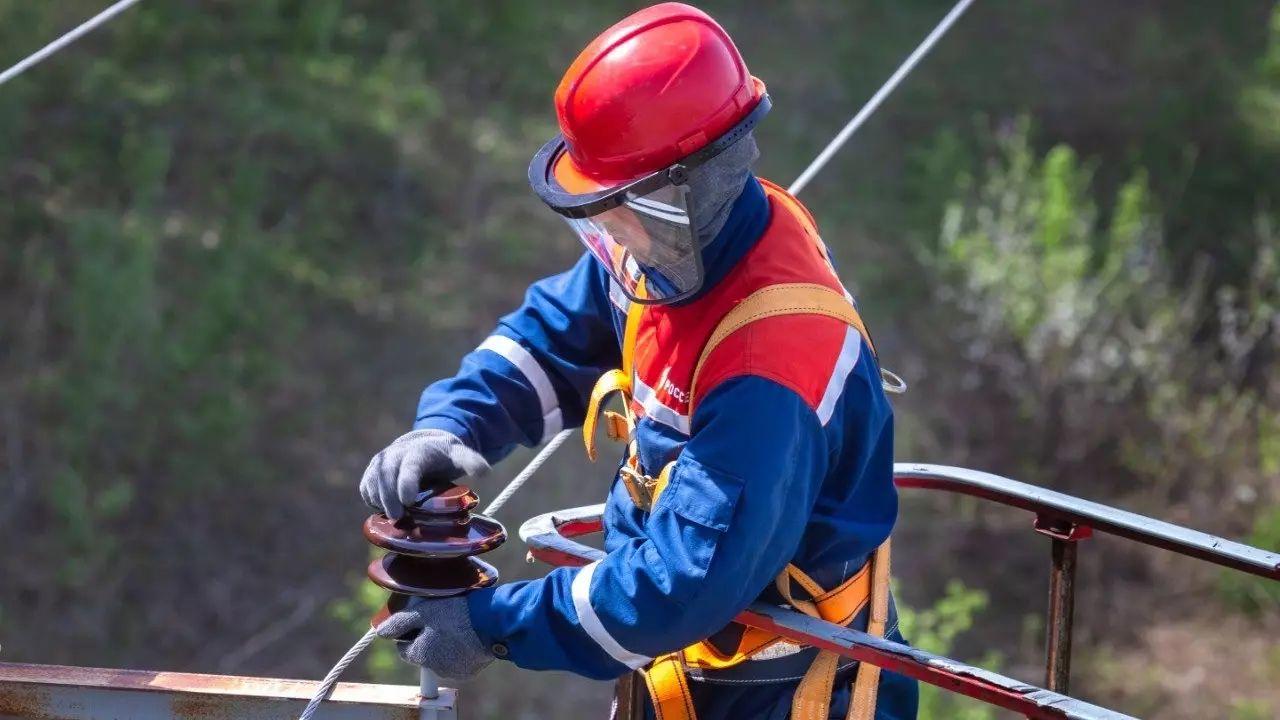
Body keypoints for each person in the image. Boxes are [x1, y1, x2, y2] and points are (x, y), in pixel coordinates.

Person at [359, 3, 920, 718]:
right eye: (601, 211)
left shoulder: (770, 364)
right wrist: (454, 425)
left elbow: (679, 584)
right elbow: (550, 337)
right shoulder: (665, 245)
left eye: (625, 208)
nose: (612, 234)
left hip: (791, 692)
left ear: (700, 181)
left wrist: (493, 624)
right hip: (686, 671)